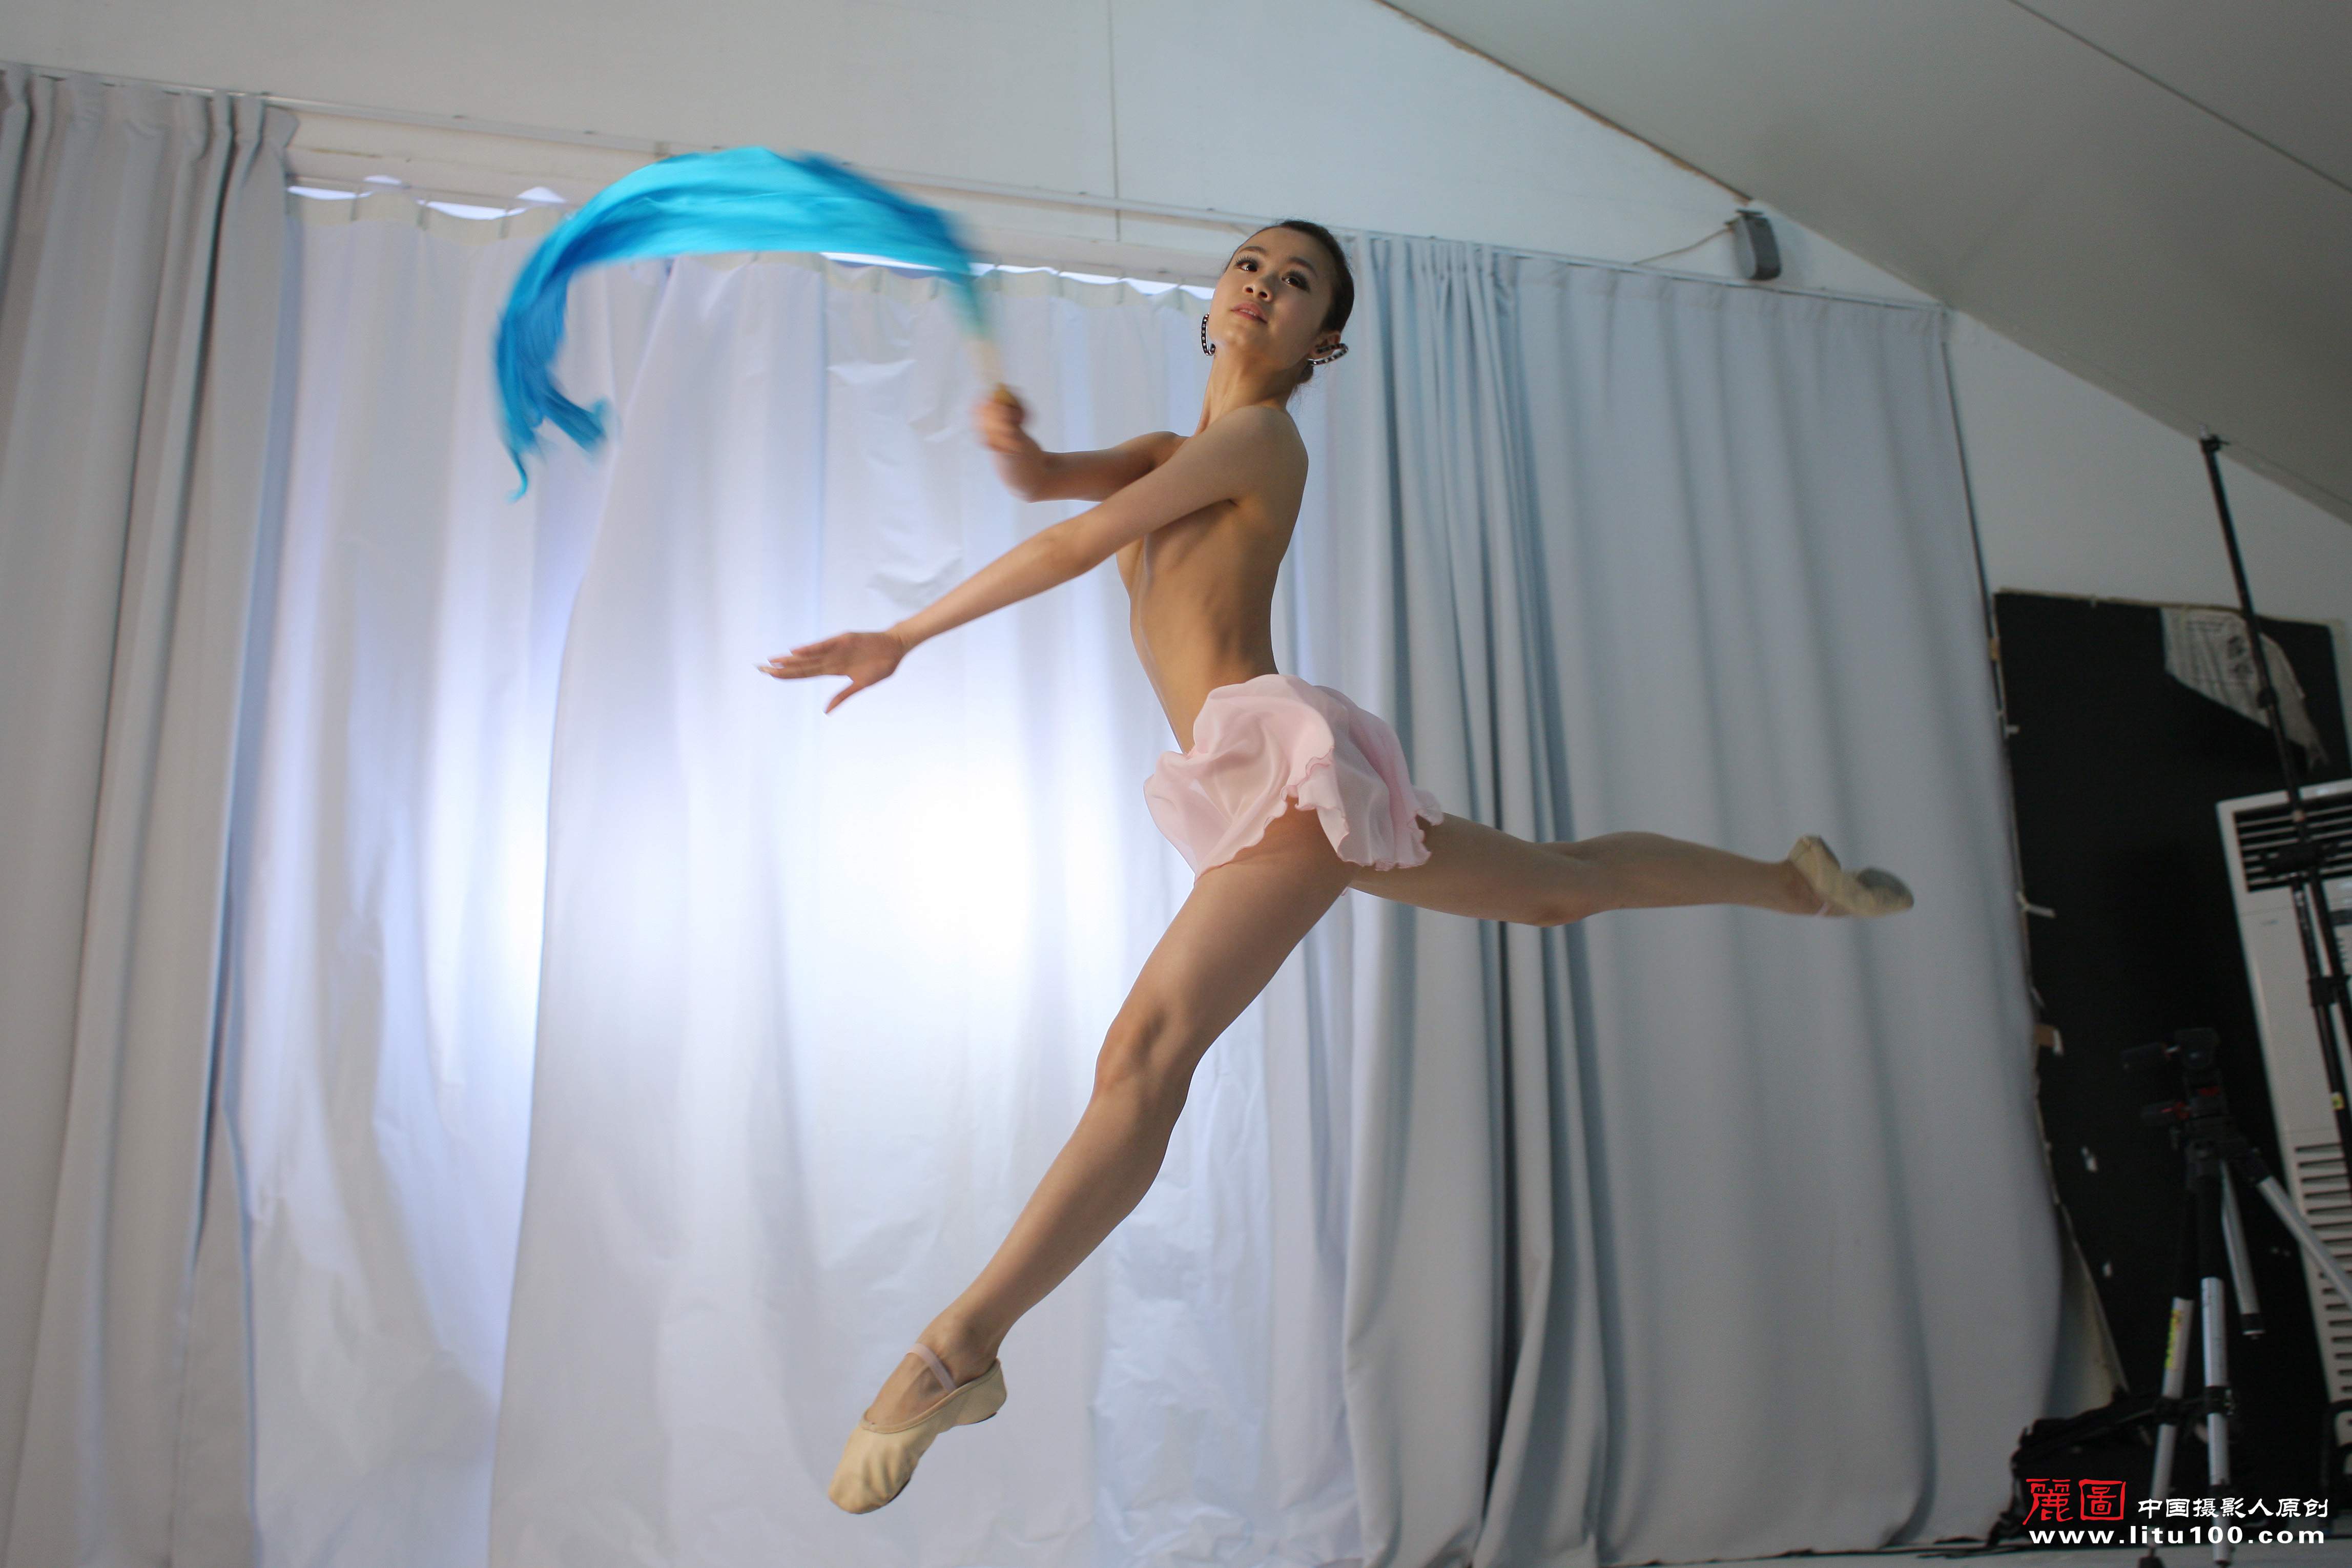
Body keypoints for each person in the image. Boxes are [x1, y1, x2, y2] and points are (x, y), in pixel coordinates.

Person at [760, 220, 1912, 1512]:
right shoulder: (1166, 449)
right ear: (1216, 298)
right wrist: (1013, 443)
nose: (1264, 285)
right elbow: (1046, 492)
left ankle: (956, 1349)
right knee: (1554, 888)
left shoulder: (1260, 441)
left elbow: (1076, 546)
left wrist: (906, 635)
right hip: (1248, 774)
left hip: (1281, 770)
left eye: (1297, 282)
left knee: (1144, 1055)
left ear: (1325, 342)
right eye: (1250, 266)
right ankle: (1790, 882)